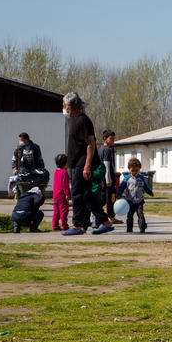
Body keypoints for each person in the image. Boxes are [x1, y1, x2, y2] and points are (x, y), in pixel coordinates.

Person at [61, 92, 114, 236]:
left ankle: (77, 225)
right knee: (87, 195)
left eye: (64, 105)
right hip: (77, 164)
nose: (63, 108)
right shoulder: (75, 121)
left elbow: (91, 144)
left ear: (71, 106)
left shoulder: (83, 121)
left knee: (77, 194)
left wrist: (87, 165)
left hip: (82, 164)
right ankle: (105, 222)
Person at [116, 157, 153, 233]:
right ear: (129, 169)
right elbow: (121, 187)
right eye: (132, 170)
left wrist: (150, 192)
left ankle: (142, 226)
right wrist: (119, 193)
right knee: (130, 216)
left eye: (137, 170)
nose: (134, 172)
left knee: (140, 214)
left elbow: (145, 187)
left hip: (139, 200)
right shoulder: (127, 178)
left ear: (139, 169)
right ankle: (129, 229)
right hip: (130, 201)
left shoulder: (141, 178)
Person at [98, 130, 122, 224]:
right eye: (111, 138)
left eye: (113, 139)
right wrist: (108, 180)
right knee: (111, 198)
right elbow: (106, 165)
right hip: (108, 179)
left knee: (104, 198)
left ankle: (96, 211)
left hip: (103, 178)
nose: (113, 141)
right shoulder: (107, 150)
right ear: (105, 139)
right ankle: (111, 217)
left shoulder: (100, 149)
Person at [11, 132, 45, 198]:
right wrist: (14, 168)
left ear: (26, 140)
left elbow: (40, 158)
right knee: (23, 189)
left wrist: (41, 169)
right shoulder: (19, 148)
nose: (20, 142)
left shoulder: (35, 147)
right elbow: (14, 158)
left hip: (33, 171)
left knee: (33, 188)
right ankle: (21, 199)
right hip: (22, 171)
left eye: (21, 140)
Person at [52, 154, 71, 231]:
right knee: (64, 211)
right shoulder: (64, 172)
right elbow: (65, 185)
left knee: (56, 212)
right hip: (62, 196)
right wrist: (67, 194)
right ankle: (64, 226)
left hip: (55, 195)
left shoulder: (56, 172)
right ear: (65, 163)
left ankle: (55, 226)